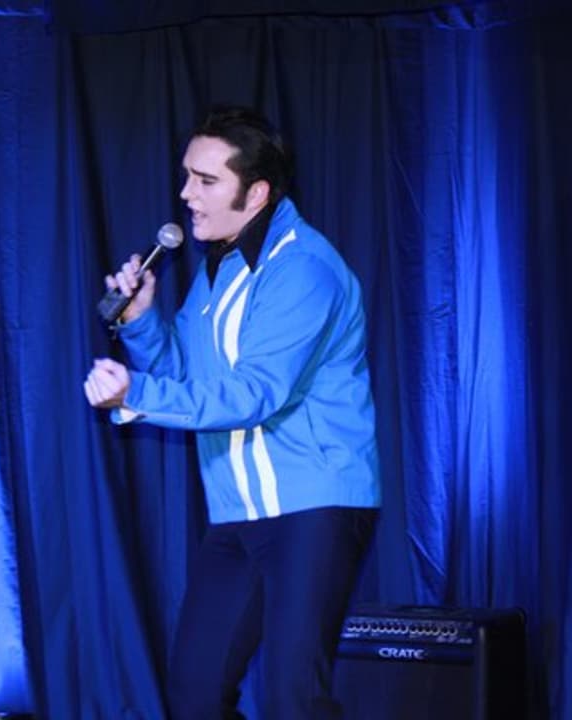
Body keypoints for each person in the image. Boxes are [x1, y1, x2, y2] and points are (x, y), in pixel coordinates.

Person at [84, 105, 380, 719]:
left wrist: (134, 394)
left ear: (258, 192)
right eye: (187, 176)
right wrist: (140, 322)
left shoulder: (304, 269)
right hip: (238, 513)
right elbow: (187, 382)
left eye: (206, 180)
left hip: (312, 507)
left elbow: (253, 395)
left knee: (294, 700)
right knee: (195, 695)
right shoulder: (218, 268)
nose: (186, 194)